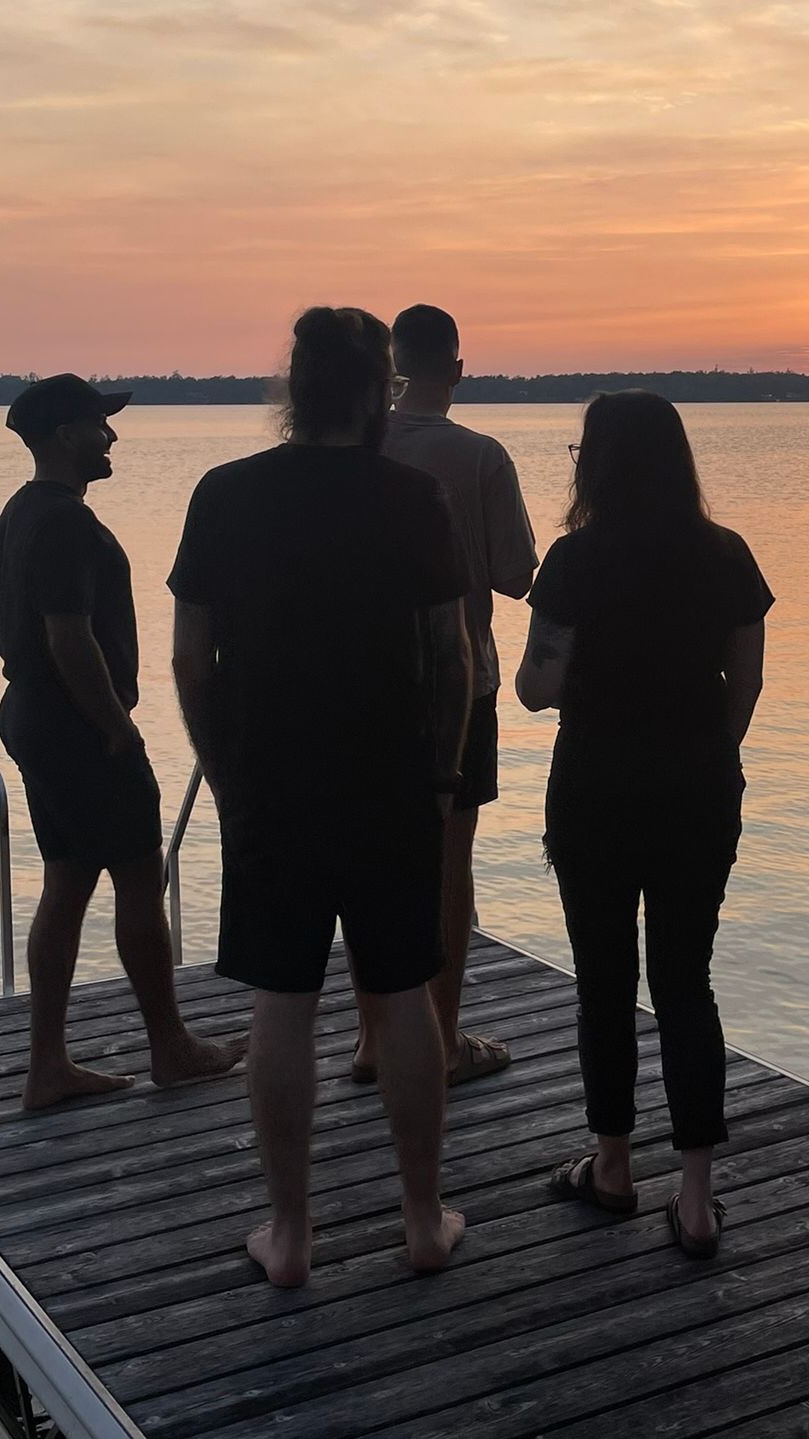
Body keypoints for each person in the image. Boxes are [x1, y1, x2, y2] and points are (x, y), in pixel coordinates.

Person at [169, 307, 471, 1285]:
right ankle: (424, 1221)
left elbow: (191, 661)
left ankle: (292, 1235)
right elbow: (450, 659)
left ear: (293, 391)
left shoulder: (225, 494)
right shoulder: (413, 496)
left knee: (283, 1003)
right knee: (407, 996)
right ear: (380, 390)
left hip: (272, 786)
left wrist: (224, 775)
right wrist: (441, 774)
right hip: (390, 780)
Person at [516, 390, 770, 1259]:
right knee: (684, 981)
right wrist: (705, 752)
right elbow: (746, 685)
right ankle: (696, 1199)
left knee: (603, 980)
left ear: (596, 461)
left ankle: (613, 1166)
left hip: (595, 787)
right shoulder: (726, 555)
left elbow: (538, 688)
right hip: (700, 789)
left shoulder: (574, 561)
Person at [0, 374, 247, 1111]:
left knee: (67, 879)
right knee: (138, 873)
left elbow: (16, 633)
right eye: (100, 423)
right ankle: (172, 1047)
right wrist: (115, 726)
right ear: (66, 434)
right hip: (75, 724)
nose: (111, 435)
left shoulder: (14, 518)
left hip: (31, 715)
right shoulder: (64, 523)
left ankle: (48, 1064)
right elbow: (68, 637)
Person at [350, 303, 539, 1088]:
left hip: (361, 684)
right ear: (457, 370)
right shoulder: (480, 456)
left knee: (368, 863)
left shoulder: (355, 449)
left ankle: (369, 1040)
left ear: (395, 367)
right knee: (447, 863)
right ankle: (446, 1035)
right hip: (460, 685)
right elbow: (517, 574)